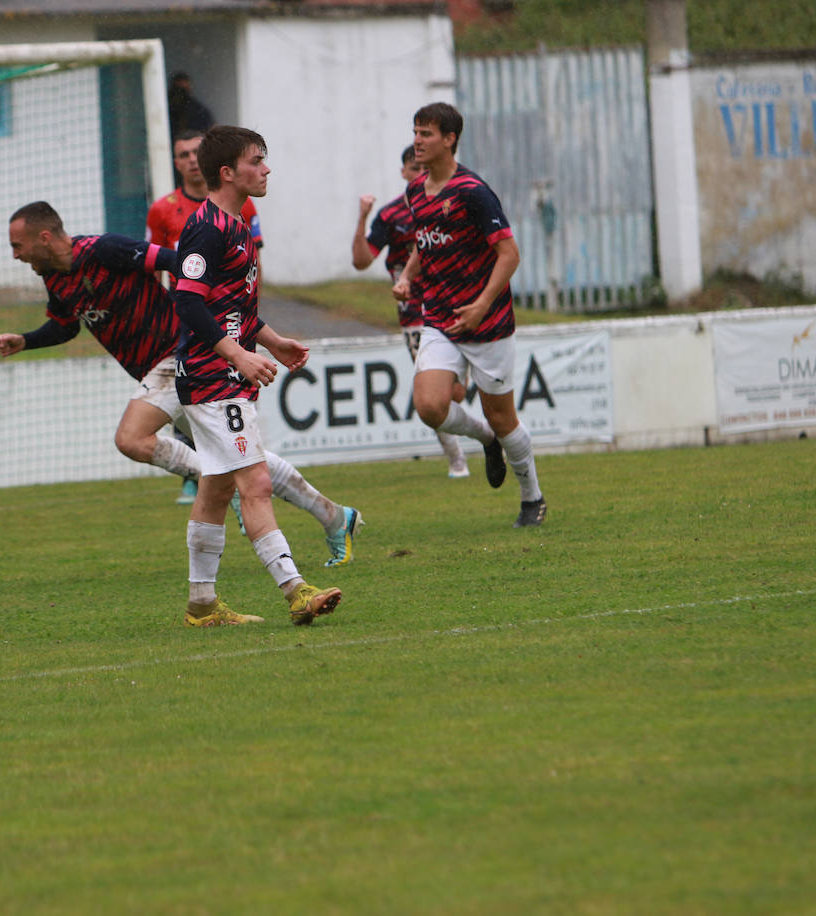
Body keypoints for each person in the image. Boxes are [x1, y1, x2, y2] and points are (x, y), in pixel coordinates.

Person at [0, 201, 362, 572]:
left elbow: (178, 263)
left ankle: (212, 485)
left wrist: (218, 317)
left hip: (180, 355)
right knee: (244, 458)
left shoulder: (105, 250)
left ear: (43, 238)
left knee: (132, 438)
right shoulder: (55, 277)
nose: (15, 256)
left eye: (18, 246)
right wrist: (25, 341)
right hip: (161, 371)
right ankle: (335, 516)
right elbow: (66, 325)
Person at [173, 126, 345, 627]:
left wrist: (271, 342)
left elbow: (232, 308)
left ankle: (202, 606)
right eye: (256, 160)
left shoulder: (240, 222)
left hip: (225, 371)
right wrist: (237, 356)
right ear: (227, 172)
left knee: (217, 489)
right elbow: (187, 299)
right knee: (257, 482)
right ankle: (296, 589)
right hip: (211, 377)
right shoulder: (205, 227)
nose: (266, 168)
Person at [393, 102, 546, 528]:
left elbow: (509, 253)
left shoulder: (472, 191)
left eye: (426, 134)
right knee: (428, 405)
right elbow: (426, 244)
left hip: (488, 321)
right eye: (416, 131)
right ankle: (485, 440)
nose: (417, 141)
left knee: (504, 416)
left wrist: (481, 305)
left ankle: (532, 497)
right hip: (439, 316)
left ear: (450, 139)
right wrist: (408, 276)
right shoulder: (414, 191)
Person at [147, 128, 263, 504]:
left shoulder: (242, 213)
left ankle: (209, 473)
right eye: (183, 154)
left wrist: (263, 335)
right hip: (194, 335)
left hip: (228, 333)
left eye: (197, 152)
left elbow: (243, 279)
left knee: (234, 472)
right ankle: (195, 471)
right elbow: (180, 287)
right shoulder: (170, 211)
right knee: (249, 475)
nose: (192, 160)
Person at [353, 144, 469, 479]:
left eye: (425, 169)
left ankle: (475, 441)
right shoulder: (391, 216)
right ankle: (456, 458)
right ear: (405, 172)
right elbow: (362, 261)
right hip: (416, 314)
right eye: (415, 169)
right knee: (434, 391)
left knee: (457, 391)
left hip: (455, 303)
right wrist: (362, 217)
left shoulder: (452, 204)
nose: (421, 175)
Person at [167, 72, 214, 141]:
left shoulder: (199, 111)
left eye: (183, 91)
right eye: (177, 89)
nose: (180, 94)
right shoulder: (166, 111)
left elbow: (209, 133)